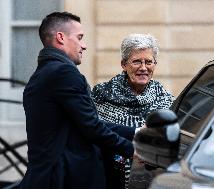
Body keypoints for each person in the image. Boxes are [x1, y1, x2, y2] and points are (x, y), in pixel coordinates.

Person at [19, 12, 136, 189]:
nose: (84, 45)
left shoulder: (43, 74)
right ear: (61, 37)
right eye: (80, 37)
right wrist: (134, 150)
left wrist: (137, 133)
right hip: (65, 179)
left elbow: (85, 123)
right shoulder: (63, 73)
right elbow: (92, 128)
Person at [92, 34, 174, 189]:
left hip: (152, 180)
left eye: (149, 62)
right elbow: (93, 132)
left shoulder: (166, 101)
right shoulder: (101, 95)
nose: (143, 68)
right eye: (137, 61)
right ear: (124, 64)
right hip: (106, 178)